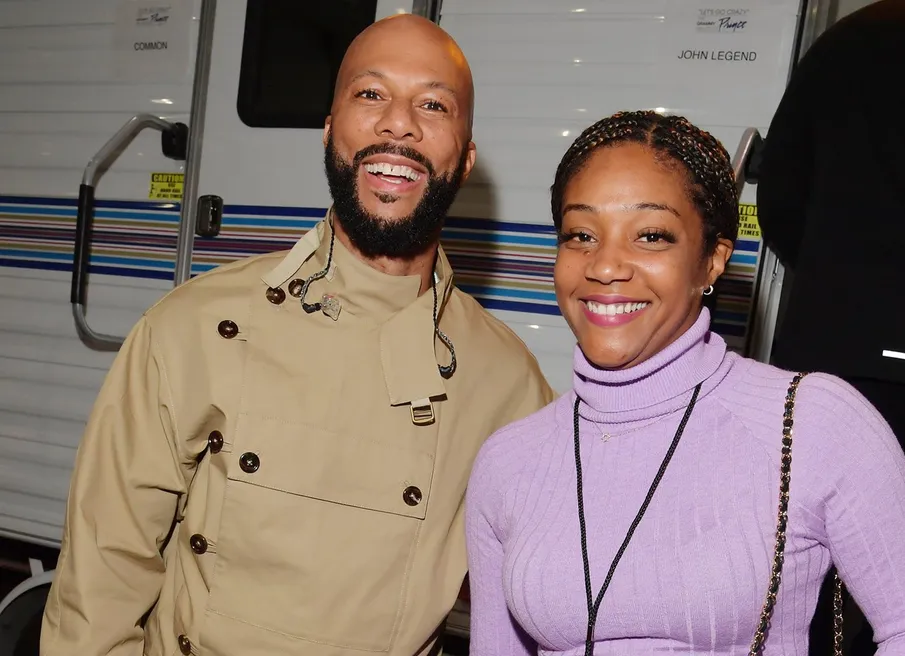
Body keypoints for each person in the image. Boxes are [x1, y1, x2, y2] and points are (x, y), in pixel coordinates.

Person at [40, 14, 554, 656]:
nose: (399, 122)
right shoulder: (193, 327)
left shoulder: (507, 382)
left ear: (465, 157)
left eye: (433, 104)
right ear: (330, 130)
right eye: (371, 94)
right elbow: (101, 578)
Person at [463, 110, 905, 655]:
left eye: (651, 236)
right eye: (581, 234)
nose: (605, 266)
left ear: (712, 261)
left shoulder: (813, 424)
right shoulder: (507, 463)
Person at [755, 0, 905, 652]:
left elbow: (779, 196)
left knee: (799, 547)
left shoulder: (847, 41)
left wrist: (836, 284)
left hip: (836, 347)